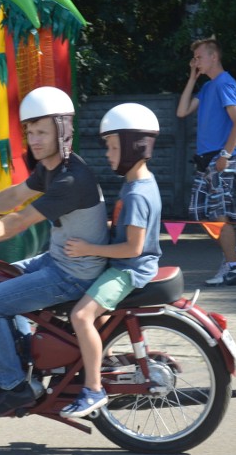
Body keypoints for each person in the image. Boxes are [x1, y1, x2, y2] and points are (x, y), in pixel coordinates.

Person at [0, 86, 109, 420]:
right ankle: (24, 361)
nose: (35, 139)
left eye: (42, 131)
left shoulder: (71, 178)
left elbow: (18, 221)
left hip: (73, 274)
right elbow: (15, 196)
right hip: (60, 261)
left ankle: (14, 387)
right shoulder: (53, 168)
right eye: (30, 131)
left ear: (62, 130)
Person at [59, 103, 162, 418]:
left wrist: (89, 248)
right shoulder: (139, 183)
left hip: (129, 270)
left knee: (81, 316)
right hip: (126, 264)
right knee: (91, 312)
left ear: (133, 147)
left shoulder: (136, 195)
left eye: (113, 146)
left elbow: (132, 248)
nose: (108, 153)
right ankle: (105, 359)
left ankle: (92, 389)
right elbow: (124, 231)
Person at [176, 37, 236, 286]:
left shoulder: (225, 84)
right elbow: (182, 111)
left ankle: (233, 268)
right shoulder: (208, 88)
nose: (195, 61)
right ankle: (234, 254)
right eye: (194, 58)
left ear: (213, 57)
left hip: (221, 158)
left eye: (199, 57)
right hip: (206, 160)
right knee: (200, 212)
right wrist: (192, 78)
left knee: (218, 214)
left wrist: (225, 156)